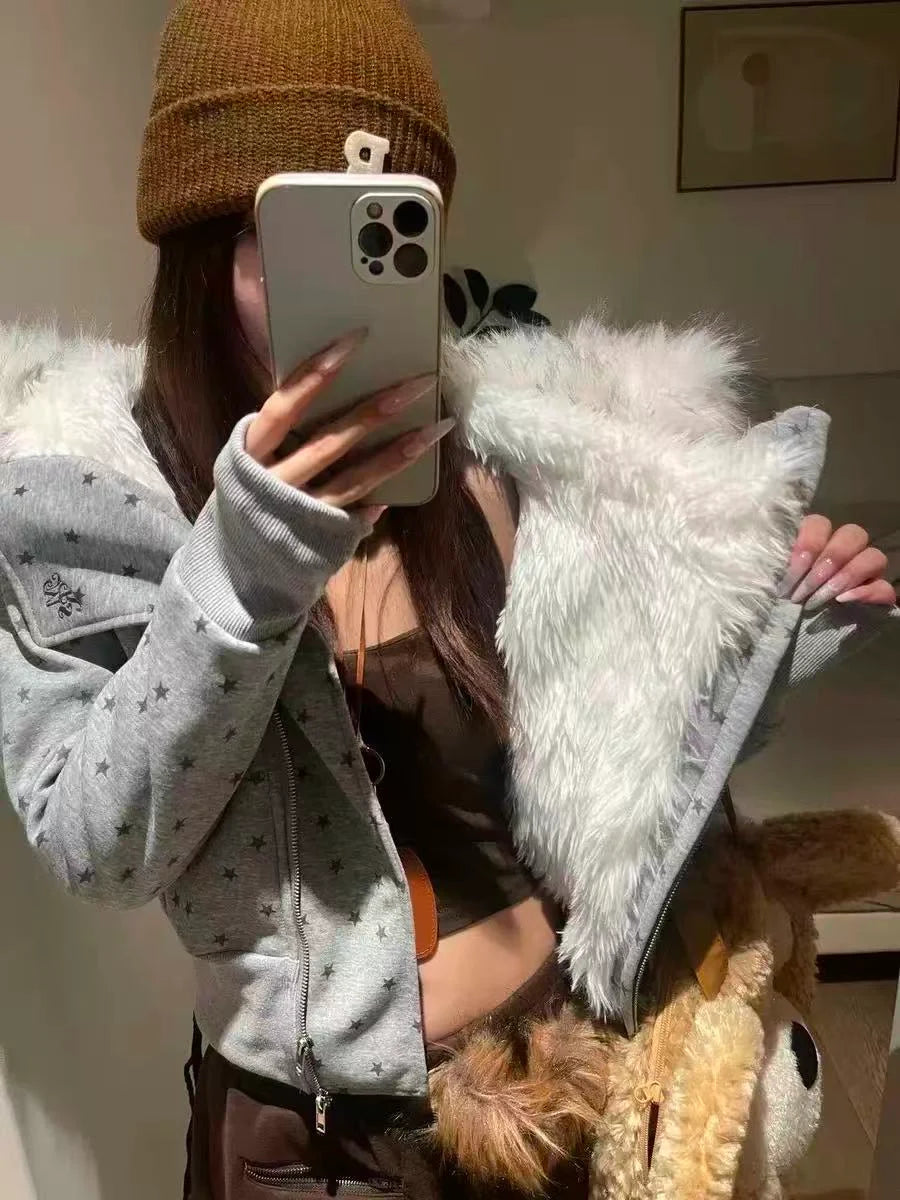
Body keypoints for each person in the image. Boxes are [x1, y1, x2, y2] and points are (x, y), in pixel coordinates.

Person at [0, 2, 896, 1198]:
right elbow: (102, 846)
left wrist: (759, 647)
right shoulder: (89, 510)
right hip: (321, 1152)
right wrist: (250, 563)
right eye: (299, 238)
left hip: (565, 1089)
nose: (347, 298)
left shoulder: (499, 465)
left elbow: (606, 786)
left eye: (390, 235)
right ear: (200, 244)